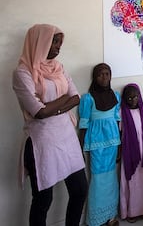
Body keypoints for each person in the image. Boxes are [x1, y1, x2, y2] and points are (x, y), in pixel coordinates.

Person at [12, 24, 88, 226]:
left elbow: (76, 98)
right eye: (54, 41)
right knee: (43, 200)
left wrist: (52, 106)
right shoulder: (23, 73)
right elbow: (39, 112)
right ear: (40, 42)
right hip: (42, 142)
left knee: (80, 190)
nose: (58, 47)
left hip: (66, 137)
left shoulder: (59, 68)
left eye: (60, 42)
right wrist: (62, 101)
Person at [79, 63, 121, 226]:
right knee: (97, 179)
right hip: (96, 144)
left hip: (112, 142)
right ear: (94, 77)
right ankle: (95, 220)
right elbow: (84, 123)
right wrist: (79, 147)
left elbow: (118, 121)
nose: (104, 77)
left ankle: (110, 216)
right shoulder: (88, 99)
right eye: (100, 74)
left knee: (111, 178)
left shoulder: (115, 96)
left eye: (107, 74)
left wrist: (120, 147)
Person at [119, 83, 143, 223]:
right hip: (130, 154)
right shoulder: (122, 113)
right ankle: (131, 211)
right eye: (130, 98)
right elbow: (120, 133)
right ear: (125, 99)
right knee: (131, 182)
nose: (133, 100)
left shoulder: (142, 111)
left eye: (136, 97)